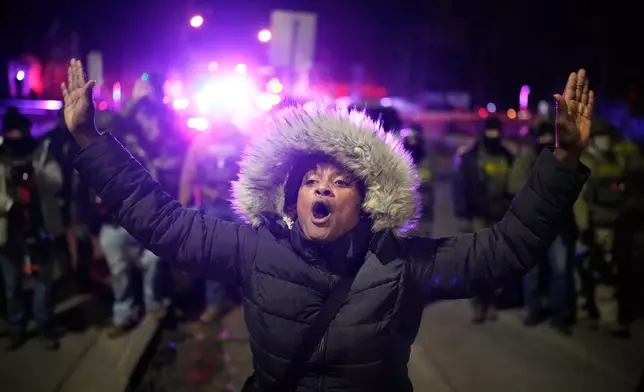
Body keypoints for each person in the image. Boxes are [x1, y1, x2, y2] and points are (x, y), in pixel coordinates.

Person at [62, 59, 593, 392]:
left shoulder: (400, 265)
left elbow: (502, 251)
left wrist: (562, 166)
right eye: (310, 179)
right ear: (292, 196)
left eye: (339, 182)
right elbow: (165, 225)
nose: (321, 188)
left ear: (364, 200)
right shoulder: (255, 249)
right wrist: (90, 142)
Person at [0, 107, 64, 350]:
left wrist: (35, 177)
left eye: (21, 131)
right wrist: (9, 204)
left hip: (40, 225)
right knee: (12, 284)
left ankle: (43, 326)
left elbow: (57, 180)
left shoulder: (41, 151)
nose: (17, 136)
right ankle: (16, 327)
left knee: (43, 280)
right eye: (12, 132)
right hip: (9, 231)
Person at [507, 120, 577, 334]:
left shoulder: (565, 160)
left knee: (561, 270)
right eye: (543, 137)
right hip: (532, 226)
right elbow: (514, 188)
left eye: (550, 138)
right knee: (531, 271)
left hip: (557, 226)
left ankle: (558, 314)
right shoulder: (525, 159)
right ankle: (532, 309)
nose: (546, 141)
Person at [178, 119, 247, 323]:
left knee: (246, 254)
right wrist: (182, 206)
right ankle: (214, 303)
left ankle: (250, 303)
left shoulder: (243, 139)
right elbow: (189, 173)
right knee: (212, 255)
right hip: (212, 205)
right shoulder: (202, 141)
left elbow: (257, 171)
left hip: (238, 205)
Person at [453, 116, 514, 324]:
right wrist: (462, 215)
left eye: (497, 134)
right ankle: (477, 305)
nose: (493, 138)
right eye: (490, 133)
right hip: (477, 216)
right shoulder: (470, 158)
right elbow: (460, 188)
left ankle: (492, 302)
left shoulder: (507, 156)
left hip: (501, 217)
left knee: (496, 263)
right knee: (476, 262)